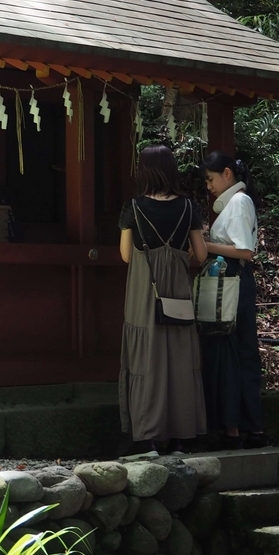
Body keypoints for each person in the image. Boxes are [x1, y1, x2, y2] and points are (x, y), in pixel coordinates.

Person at [117, 143, 208, 452]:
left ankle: (152, 435)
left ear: (145, 171)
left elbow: (126, 255)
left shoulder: (133, 207)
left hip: (145, 290)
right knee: (181, 357)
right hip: (178, 290)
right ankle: (183, 435)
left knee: (147, 357)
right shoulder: (188, 207)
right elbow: (201, 253)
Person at [200, 151, 266, 449]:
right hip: (232, 283)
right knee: (235, 352)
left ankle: (239, 428)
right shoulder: (237, 203)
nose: (209, 185)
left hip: (234, 283)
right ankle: (241, 426)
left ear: (227, 174)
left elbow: (246, 252)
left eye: (211, 179)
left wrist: (205, 243)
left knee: (235, 352)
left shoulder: (239, 203)